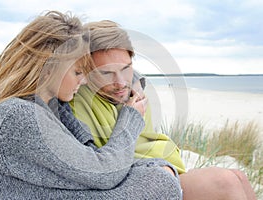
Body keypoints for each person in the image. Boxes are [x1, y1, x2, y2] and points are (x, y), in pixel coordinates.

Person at [0, 11, 182, 199]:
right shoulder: (17, 116)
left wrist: (134, 83)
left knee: (157, 177)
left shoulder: (46, 109)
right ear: (49, 69)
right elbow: (104, 173)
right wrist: (132, 118)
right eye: (78, 72)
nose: (84, 80)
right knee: (159, 181)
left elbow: (90, 162)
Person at [70, 20, 257, 200]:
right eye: (106, 73)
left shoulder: (134, 94)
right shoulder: (77, 99)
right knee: (226, 182)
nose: (120, 82)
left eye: (126, 69)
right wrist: (131, 117)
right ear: (86, 72)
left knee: (240, 176)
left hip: (164, 168)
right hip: (145, 180)